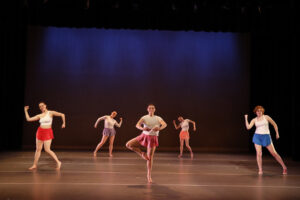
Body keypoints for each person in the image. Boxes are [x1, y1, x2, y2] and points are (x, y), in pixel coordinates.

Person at [126, 104, 167, 183]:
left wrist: (159, 128)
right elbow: (137, 125)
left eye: (153, 108)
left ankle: (149, 175)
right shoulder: (144, 117)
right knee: (128, 144)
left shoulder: (158, 118)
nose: (151, 109)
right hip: (144, 135)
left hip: (153, 138)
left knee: (150, 158)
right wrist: (142, 128)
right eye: (150, 108)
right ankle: (142, 153)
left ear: (154, 109)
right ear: (147, 109)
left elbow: (164, 124)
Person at [244, 105, 287, 175]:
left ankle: (284, 167)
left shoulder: (266, 117)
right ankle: (260, 170)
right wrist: (246, 118)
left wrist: (277, 133)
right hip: (257, 137)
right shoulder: (254, 120)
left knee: (274, 153)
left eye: (261, 111)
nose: (259, 112)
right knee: (259, 153)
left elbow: (274, 124)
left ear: (262, 111)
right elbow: (248, 127)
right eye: (258, 111)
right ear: (256, 112)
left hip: (266, 136)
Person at [24, 102, 65, 170]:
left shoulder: (50, 113)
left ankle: (58, 162)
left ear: (45, 105)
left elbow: (62, 114)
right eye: (40, 106)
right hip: (40, 131)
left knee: (47, 149)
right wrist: (25, 110)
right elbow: (28, 119)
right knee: (38, 149)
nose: (41, 107)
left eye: (42, 105)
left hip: (48, 132)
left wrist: (63, 123)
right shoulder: (40, 115)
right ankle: (34, 165)